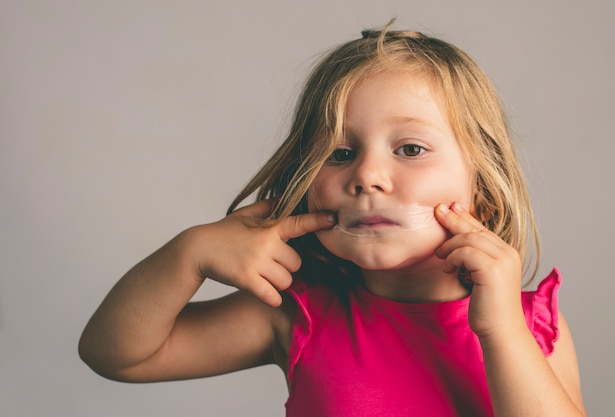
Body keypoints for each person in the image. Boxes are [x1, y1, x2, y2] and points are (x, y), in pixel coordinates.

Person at [79, 20, 586, 416]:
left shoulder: (530, 326)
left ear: (486, 193)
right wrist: (187, 254)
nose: (367, 175)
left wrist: (500, 330)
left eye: (410, 148)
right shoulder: (294, 315)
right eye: (339, 153)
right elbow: (117, 354)